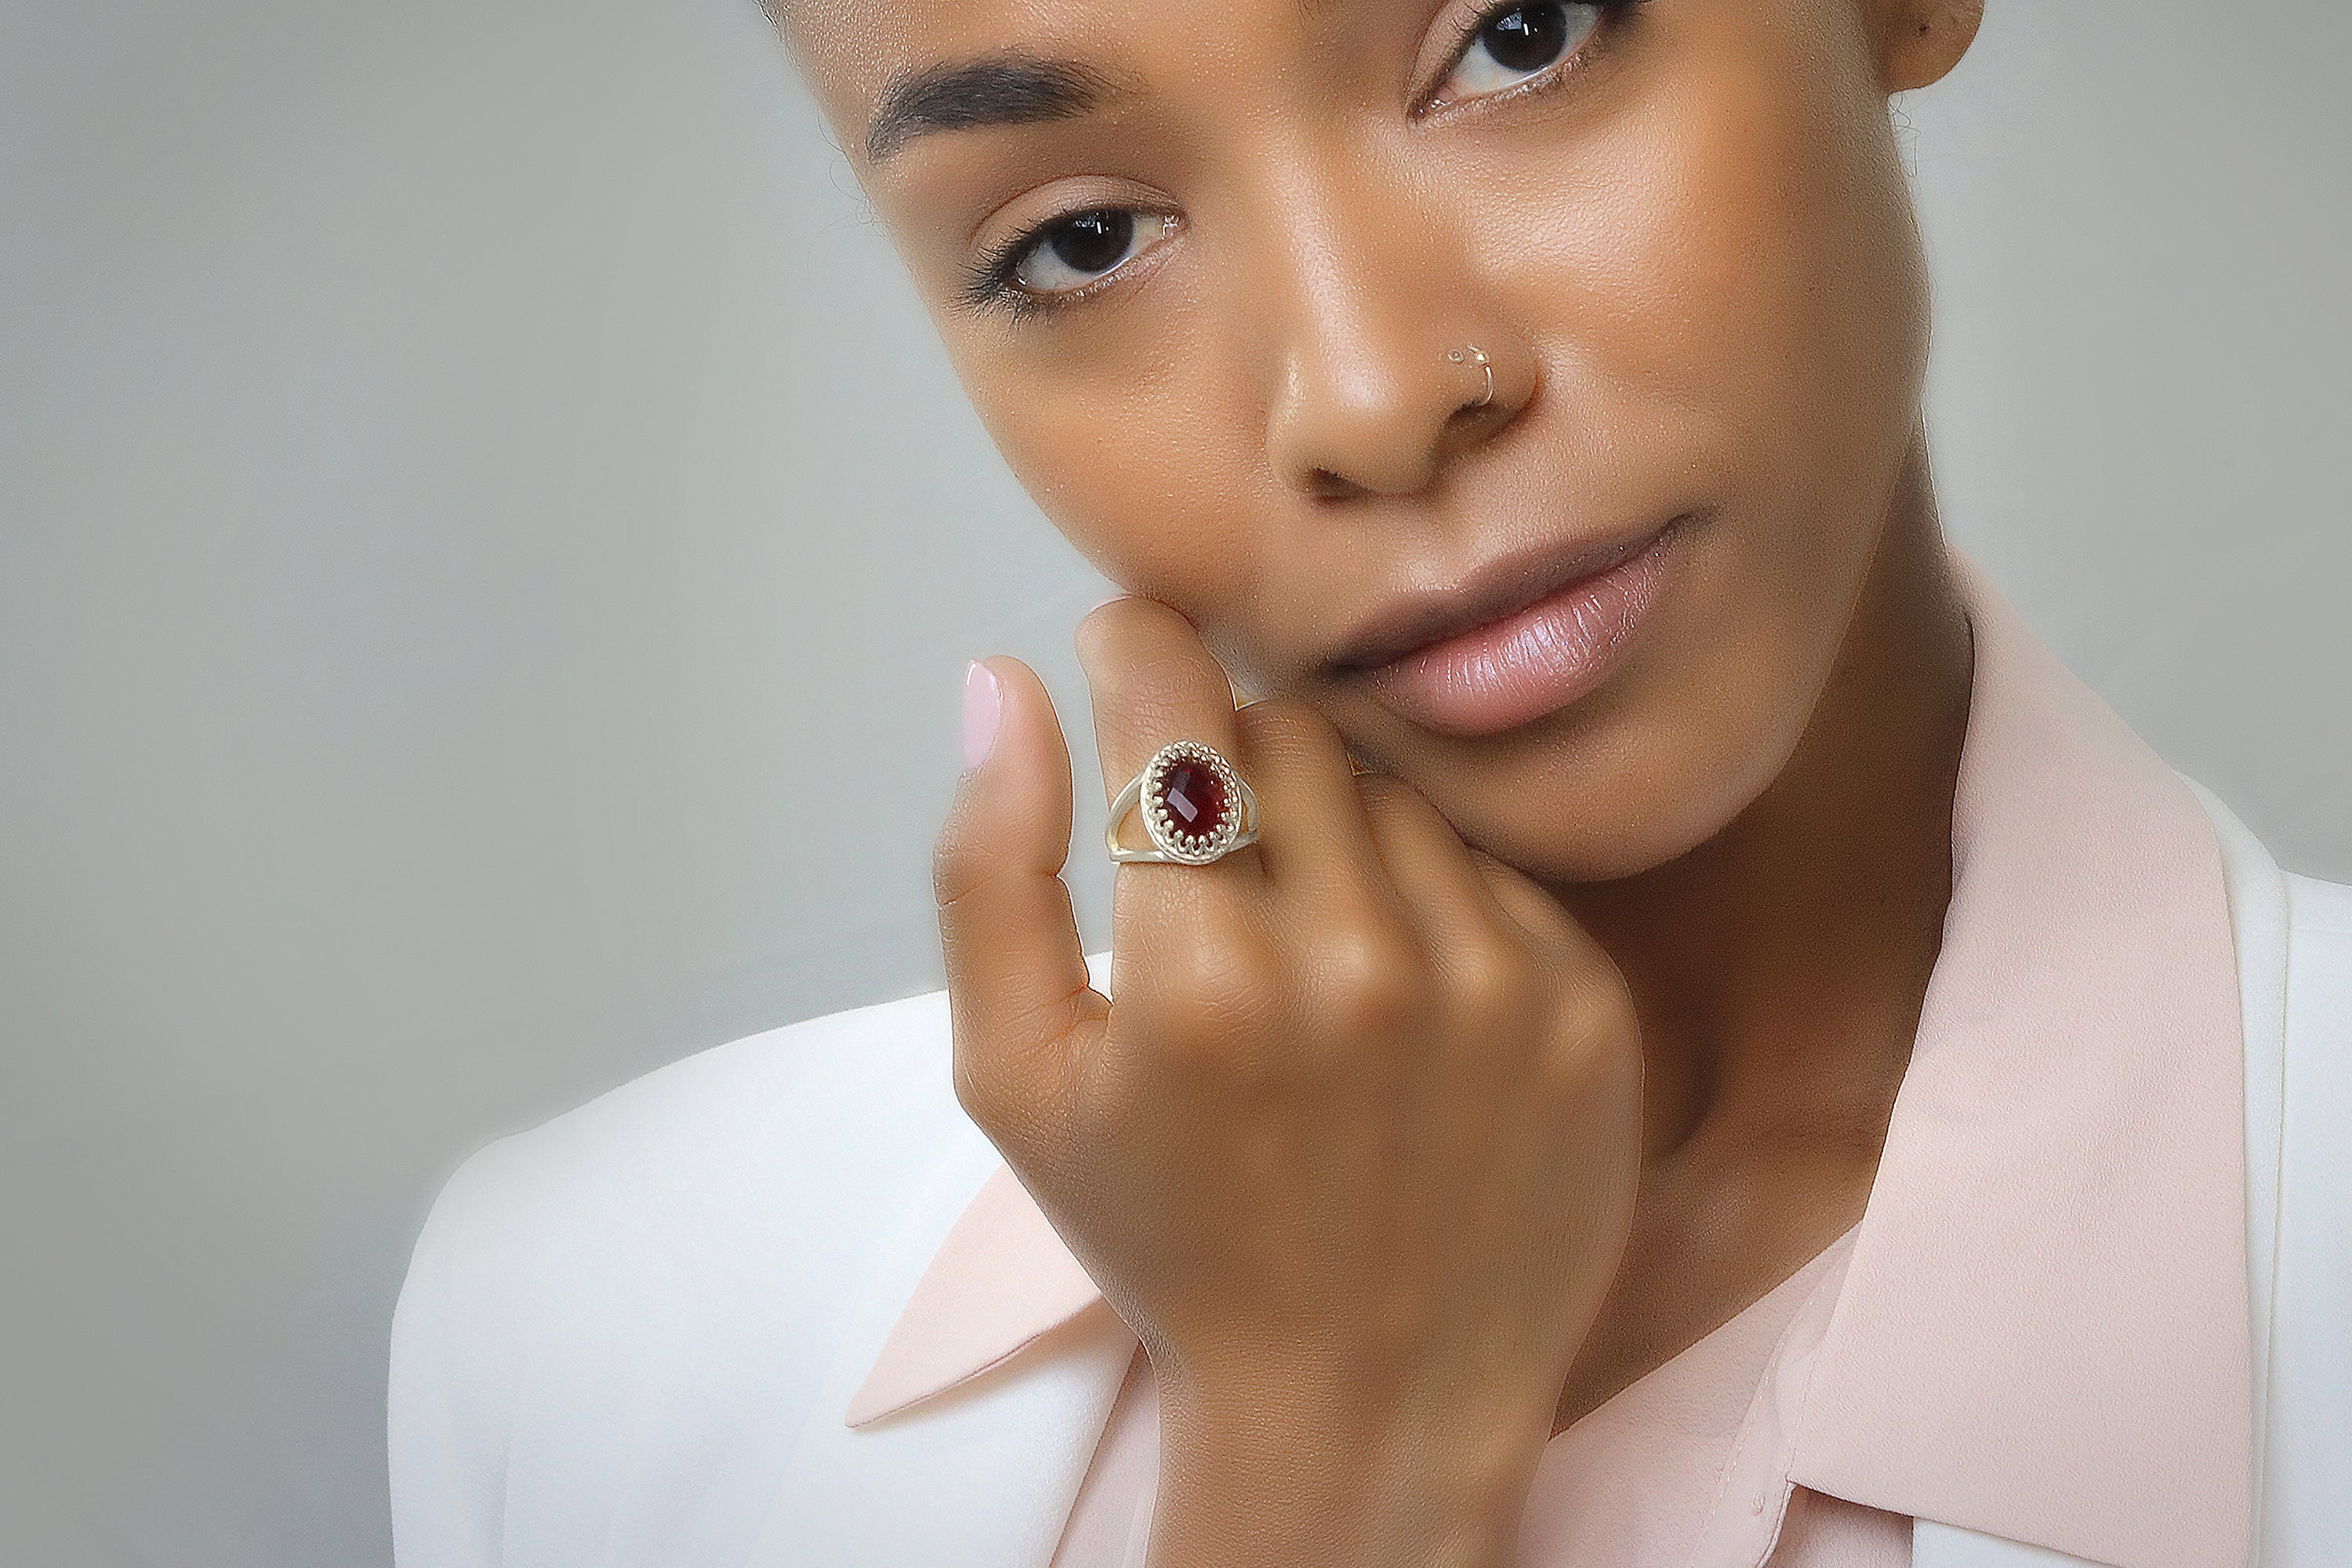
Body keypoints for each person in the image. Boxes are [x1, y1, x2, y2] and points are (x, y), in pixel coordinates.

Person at [386, 0, 2352, 1564]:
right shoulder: (585, 1326)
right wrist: (1316, 1464)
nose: (1373, 389)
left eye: (1520, 33)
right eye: (1081, 240)